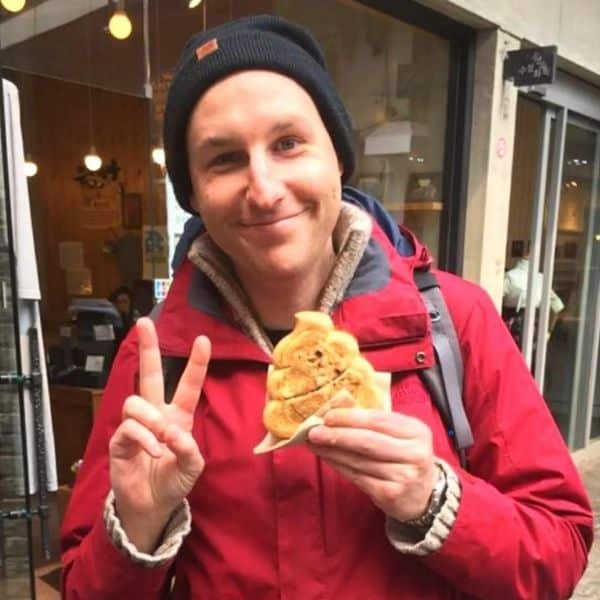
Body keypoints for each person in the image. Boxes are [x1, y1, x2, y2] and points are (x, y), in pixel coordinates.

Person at [60, 15, 593, 599]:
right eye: (224, 159)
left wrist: (437, 500)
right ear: (193, 192)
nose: (263, 189)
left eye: (288, 143)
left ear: (336, 156)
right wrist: (138, 525)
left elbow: (559, 552)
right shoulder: (158, 357)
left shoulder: (452, 320)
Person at [502, 242, 565, 346]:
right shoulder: (541, 278)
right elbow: (557, 305)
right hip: (535, 326)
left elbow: (492, 300)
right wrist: (548, 331)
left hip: (512, 324)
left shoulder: (510, 276)